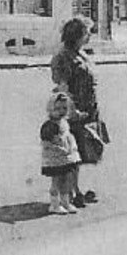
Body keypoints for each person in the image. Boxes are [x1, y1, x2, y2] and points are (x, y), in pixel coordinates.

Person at [50, 16, 105, 207]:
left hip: (87, 110)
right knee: (71, 154)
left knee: (83, 151)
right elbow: (63, 88)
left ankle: (76, 190)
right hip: (73, 112)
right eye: (86, 33)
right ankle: (73, 192)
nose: (89, 36)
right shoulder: (63, 57)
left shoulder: (80, 54)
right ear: (76, 35)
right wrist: (72, 112)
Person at [41, 90, 82, 214]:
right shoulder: (49, 126)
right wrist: (60, 149)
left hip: (66, 157)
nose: (61, 111)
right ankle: (54, 204)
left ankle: (65, 202)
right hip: (55, 158)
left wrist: (72, 148)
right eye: (57, 108)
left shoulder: (64, 123)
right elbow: (47, 143)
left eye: (64, 108)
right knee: (56, 181)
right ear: (51, 109)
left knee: (66, 180)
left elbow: (68, 137)